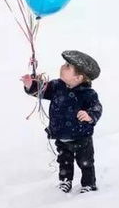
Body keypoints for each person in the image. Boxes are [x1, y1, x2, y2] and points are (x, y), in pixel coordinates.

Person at [21, 50, 103, 193]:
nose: (62, 67)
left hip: (81, 136)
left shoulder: (88, 94)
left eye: (67, 66)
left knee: (86, 162)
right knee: (64, 161)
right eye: (65, 63)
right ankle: (65, 180)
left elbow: (97, 108)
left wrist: (89, 115)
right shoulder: (56, 86)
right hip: (61, 134)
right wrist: (30, 85)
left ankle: (89, 183)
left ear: (78, 78)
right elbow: (41, 90)